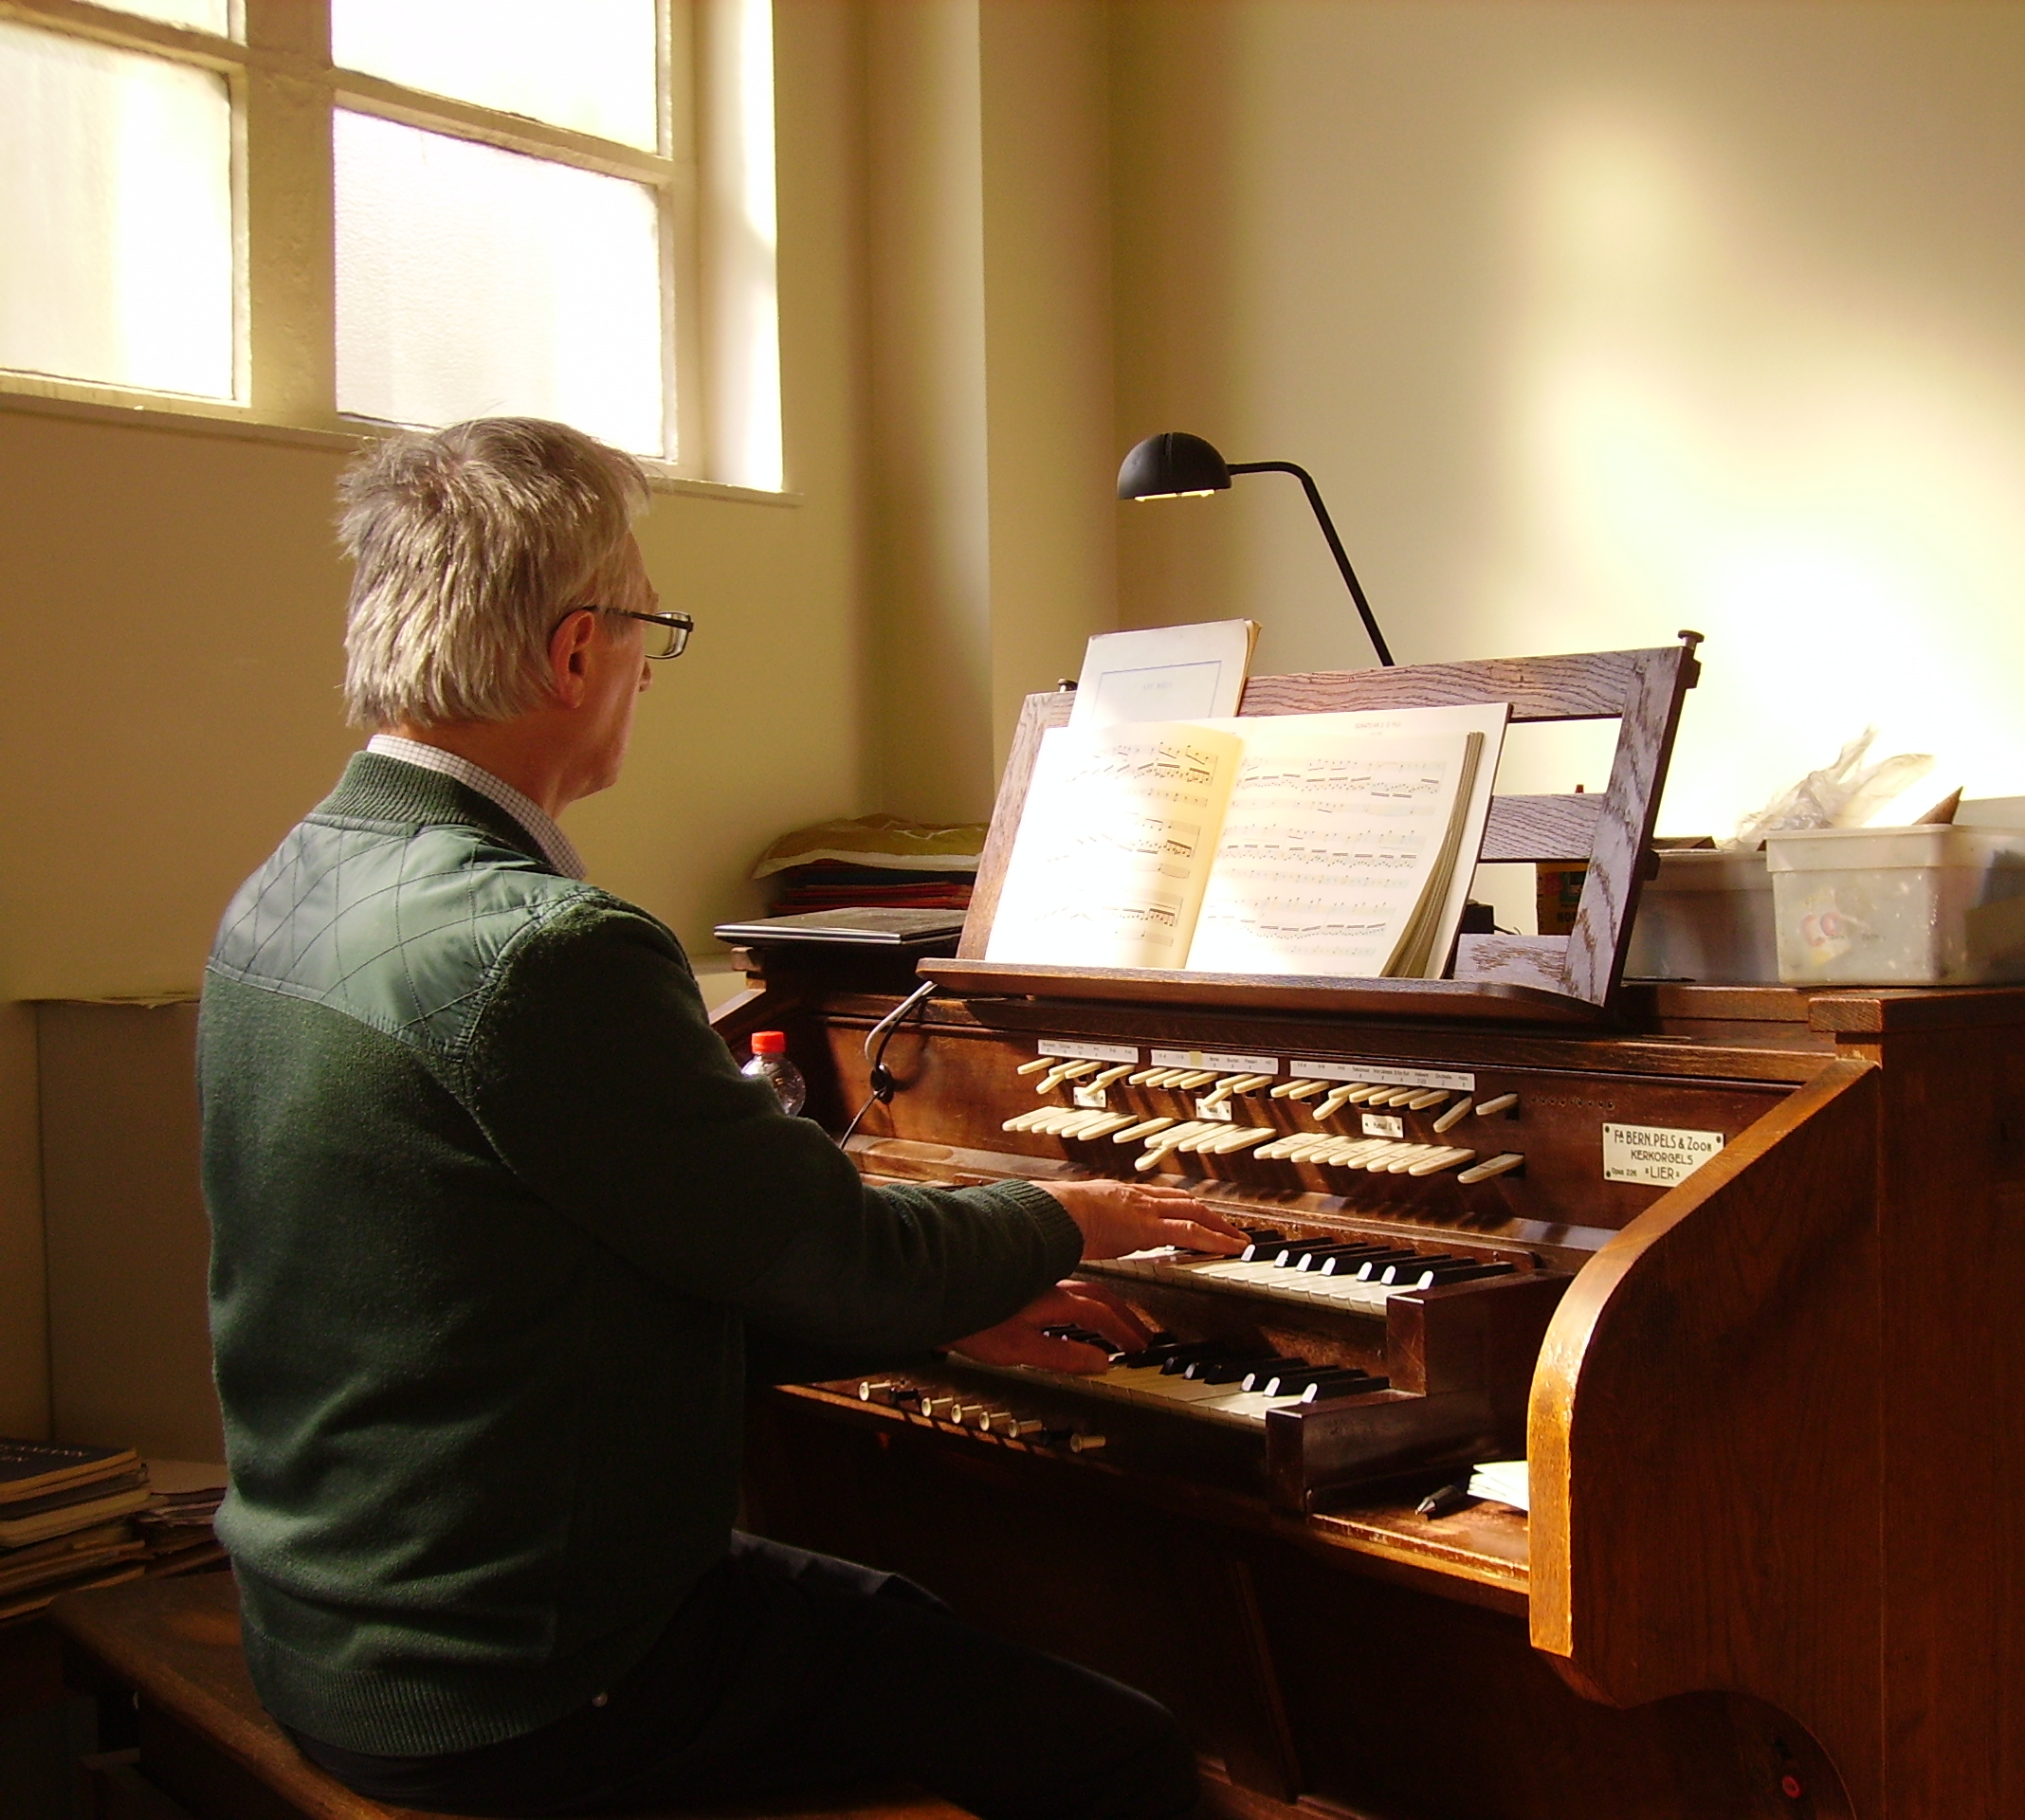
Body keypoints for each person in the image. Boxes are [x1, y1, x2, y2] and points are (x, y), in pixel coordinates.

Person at [199, 417, 1244, 1819]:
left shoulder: (295, 884)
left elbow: (565, 1264)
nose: (647, 665)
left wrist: (937, 1307)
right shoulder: (537, 950)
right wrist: (1066, 1216)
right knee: (1122, 1751)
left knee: (904, 1619)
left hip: (335, 1627)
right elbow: (838, 1258)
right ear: (576, 654)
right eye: (650, 625)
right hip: (520, 1683)